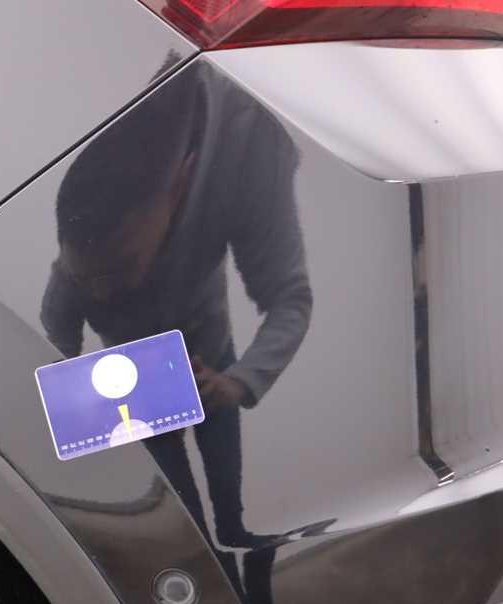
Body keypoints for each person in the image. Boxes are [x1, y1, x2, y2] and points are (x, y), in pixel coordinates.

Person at [40, 60, 312, 558]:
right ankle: (200, 549)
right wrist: (74, 400)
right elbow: (55, 341)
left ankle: (233, 534)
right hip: (136, 390)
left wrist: (240, 382)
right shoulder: (68, 279)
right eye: (86, 280)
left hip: (211, 365)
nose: (103, 294)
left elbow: (290, 298)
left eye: (120, 270)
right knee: (180, 515)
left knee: (229, 497)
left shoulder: (247, 144)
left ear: (180, 191)